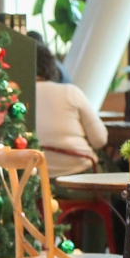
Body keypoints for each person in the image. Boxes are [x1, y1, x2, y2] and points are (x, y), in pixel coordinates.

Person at [35, 41, 107, 178]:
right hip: (82, 178)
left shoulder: (15, 98)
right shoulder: (70, 92)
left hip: (36, 185)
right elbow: (100, 140)